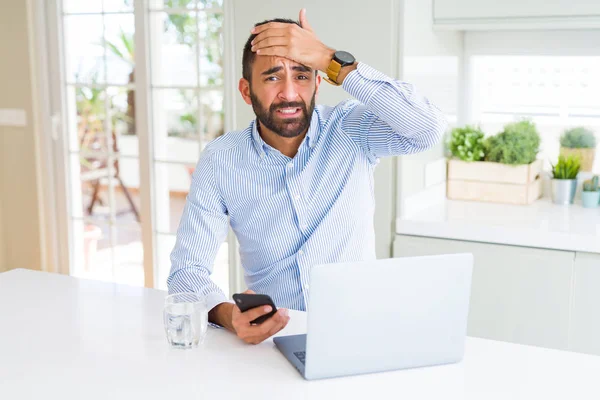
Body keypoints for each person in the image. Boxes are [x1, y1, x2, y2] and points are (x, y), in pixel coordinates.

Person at [167, 9, 447, 345]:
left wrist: (330, 59)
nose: (288, 93)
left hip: (363, 334)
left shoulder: (350, 130)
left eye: (301, 76)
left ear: (317, 82)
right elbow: (186, 272)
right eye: (272, 77)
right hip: (274, 346)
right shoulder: (221, 160)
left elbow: (427, 129)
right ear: (246, 91)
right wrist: (230, 317)